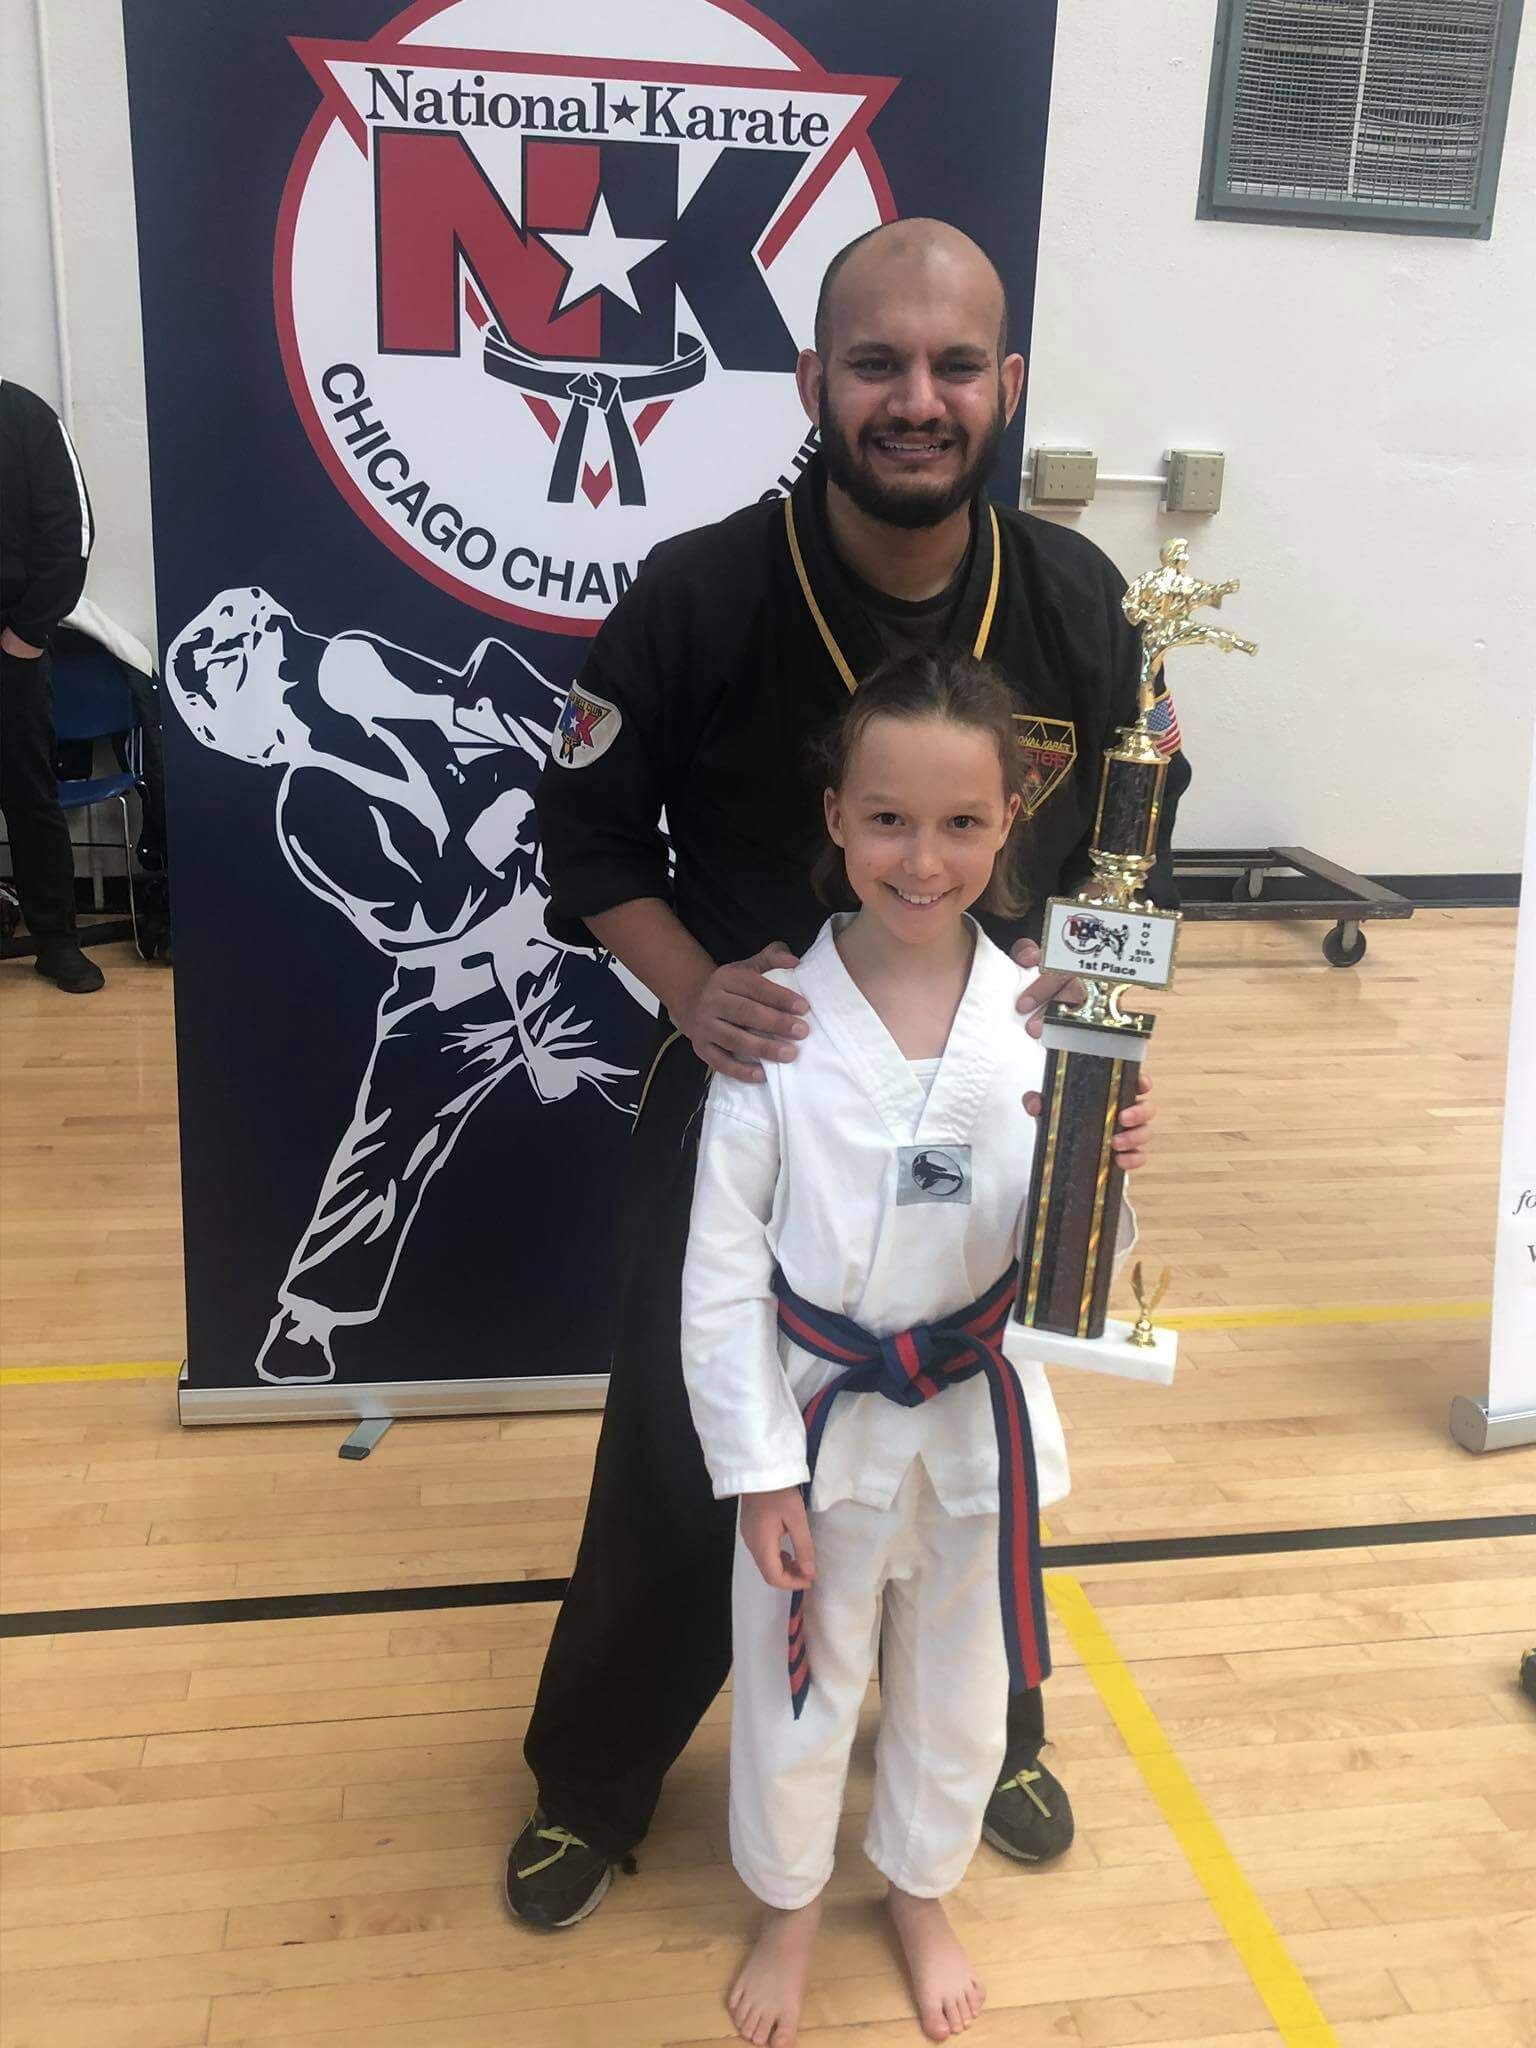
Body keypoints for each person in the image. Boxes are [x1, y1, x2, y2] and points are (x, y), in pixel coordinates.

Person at [511, 218, 1180, 1930]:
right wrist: (688, 989)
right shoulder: (701, 591)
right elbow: (582, 835)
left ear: (1006, 388)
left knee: (978, 1421)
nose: (917, 397)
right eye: (877, 361)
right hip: (768, 1082)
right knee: (685, 1437)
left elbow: (1127, 848)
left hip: (980, 1087)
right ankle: (595, 1773)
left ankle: (986, 1721)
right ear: (815, 382)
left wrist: (1085, 1043)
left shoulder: (1081, 599)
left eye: (957, 365)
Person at [683, 649, 1131, 2046]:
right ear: (833, 817)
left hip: (977, 1423)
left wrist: (1106, 1163)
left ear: (1012, 828)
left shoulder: (1044, 1022)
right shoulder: (777, 1026)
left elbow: (1083, 1274)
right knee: (799, 1683)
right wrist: (758, 1472)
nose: (921, 858)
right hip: (822, 1425)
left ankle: (922, 1891)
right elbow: (715, 1279)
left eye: (958, 823)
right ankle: (793, 1899)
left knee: (957, 1687)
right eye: (887, 818)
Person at [165, 589, 651, 1382]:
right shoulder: (307, 811)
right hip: (452, 988)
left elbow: (499, 714)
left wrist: (520, 731)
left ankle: (734, 1250)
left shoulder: (372, 681)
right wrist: (492, 838)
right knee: (389, 1136)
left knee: (666, 1076)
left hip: (552, 941)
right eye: (285, 668)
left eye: (298, 652)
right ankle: (308, 1319)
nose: (308, 666)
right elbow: (413, 919)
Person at [0, 379, 99, 993]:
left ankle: (56, 941)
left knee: (30, 796)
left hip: (10, 648)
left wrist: (26, 635)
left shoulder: (23, 415)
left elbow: (73, 531)